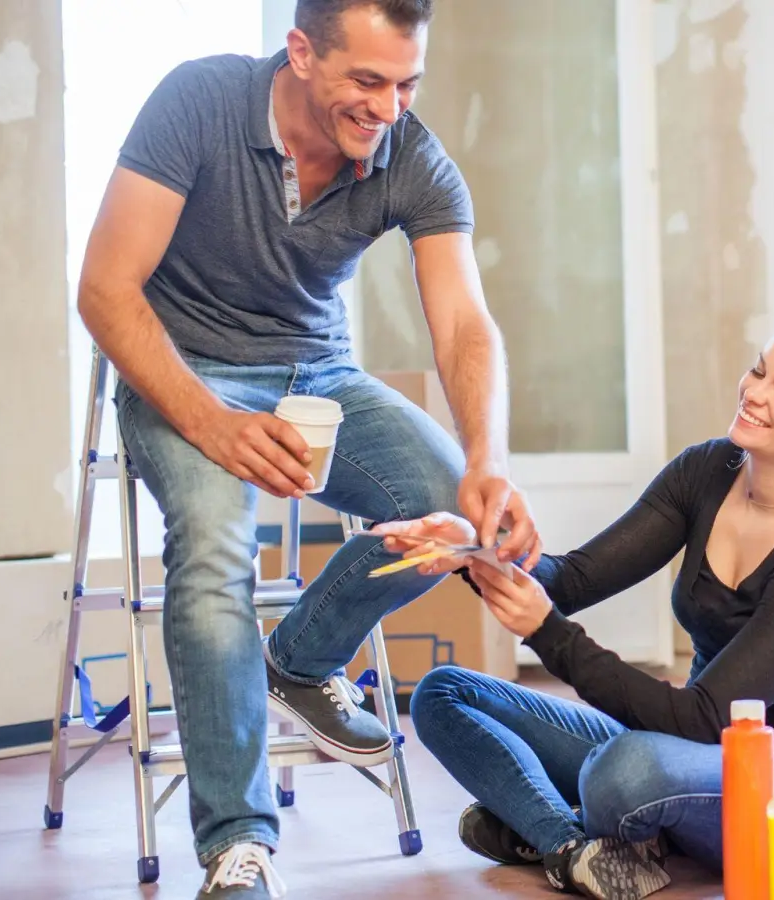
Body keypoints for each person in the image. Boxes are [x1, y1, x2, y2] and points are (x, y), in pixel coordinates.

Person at [75, 2, 540, 897]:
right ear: (298, 52)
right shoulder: (200, 103)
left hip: (315, 372)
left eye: (407, 83)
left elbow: (462, 321)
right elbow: (104, 289)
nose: (389, 108)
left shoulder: (411, 153)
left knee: (457, 511)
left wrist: (487, 458)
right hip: (184, 368)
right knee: (214, 552)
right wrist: (215, 425)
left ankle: (300, 661)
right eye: (366, 81)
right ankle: (238, 848)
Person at [372, 309, 774, 900]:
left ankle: (577, 821)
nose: (754, 394)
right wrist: (469, 545)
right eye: (758, 371)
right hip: (691, 750)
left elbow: (708, 717)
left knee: (628, 771)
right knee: (444, 695)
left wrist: (549, 634)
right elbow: (573, 579)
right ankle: (570, 846)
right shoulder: (706, 472)